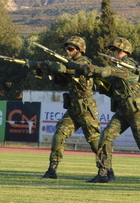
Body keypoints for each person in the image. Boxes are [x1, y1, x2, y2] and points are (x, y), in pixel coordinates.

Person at [82, 37, 140, 183]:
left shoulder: (127, 66)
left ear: (123, 51)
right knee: (106, 136)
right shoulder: (118, 67)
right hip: (123, 112)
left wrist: (94, 69)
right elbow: (108, 83)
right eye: (111, 50)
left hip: (136, 112)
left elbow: (107, 72)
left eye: (115, 50)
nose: (112, 53)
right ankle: (104, 173)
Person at [31, 36, 101, 179]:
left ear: (79, 50)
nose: (67, 51)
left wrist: (58, 67)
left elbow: (69, 70)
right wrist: (44, 68)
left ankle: (106, 169)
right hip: (74, 108)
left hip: (86, 108)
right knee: (59, 133)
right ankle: (52, 170)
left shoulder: (83, 62)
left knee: (94, 140)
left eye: (71, 49)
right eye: (66, 49)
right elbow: (62, 79)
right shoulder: (71, 63)